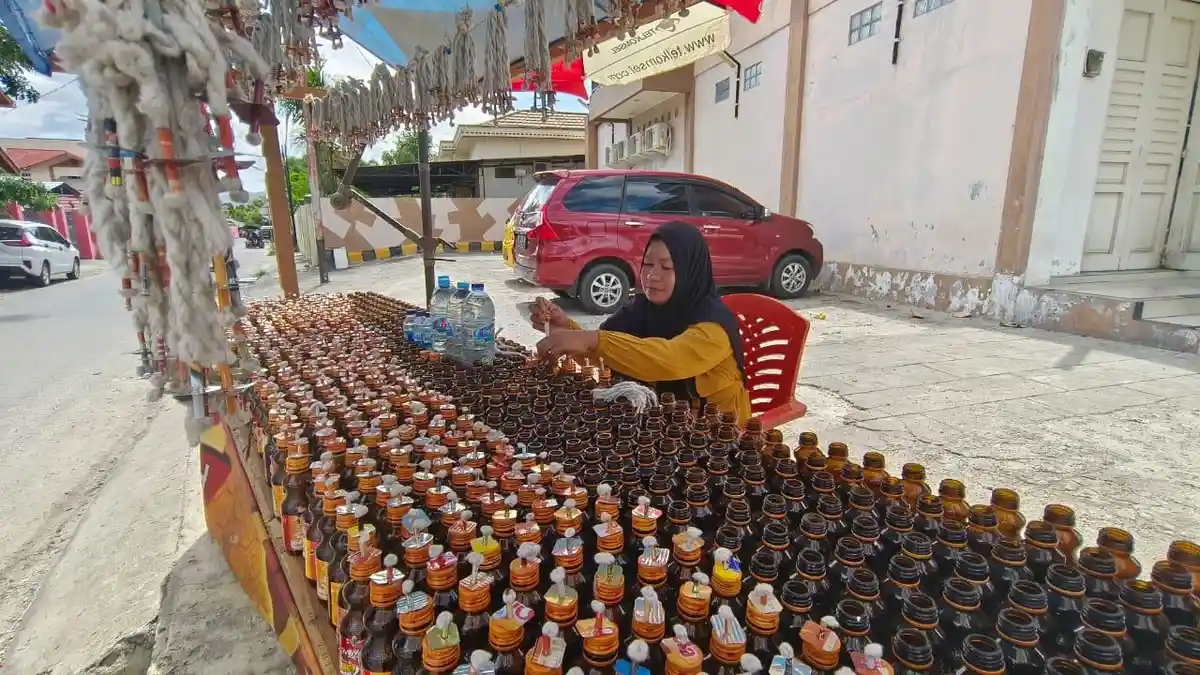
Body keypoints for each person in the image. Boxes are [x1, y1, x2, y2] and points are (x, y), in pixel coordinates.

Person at [531, 221, 752, 425]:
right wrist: (566, 329)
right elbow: (608, 357)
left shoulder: (714, 325)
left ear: (690, 271)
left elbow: (669, 360)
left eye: (666, 267)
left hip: (718, 434)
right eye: (647, 264)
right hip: (663, 422)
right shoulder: (639, 309)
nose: (652, 276)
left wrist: (589, 340)